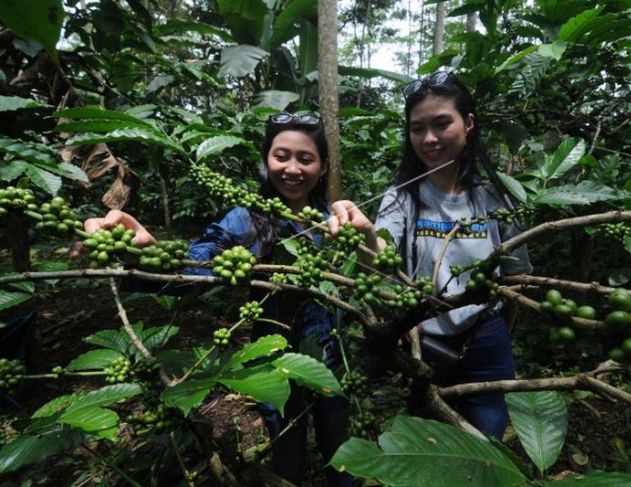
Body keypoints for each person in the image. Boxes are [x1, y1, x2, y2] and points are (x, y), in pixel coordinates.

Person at [85, 113, 351, 486]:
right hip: (274, 358)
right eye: (281, 156)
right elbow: (192, 270)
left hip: (331, 354)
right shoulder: (245, 220)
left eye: (305, 159)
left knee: (338, 438)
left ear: (322, 167)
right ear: (266, 160)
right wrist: (140, 256)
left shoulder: (334, 224)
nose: (292, 168)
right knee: (286, 442)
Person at [328, 71, 532, 439]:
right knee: (430, 439)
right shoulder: (401, 197)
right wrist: (367, 234)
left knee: (487, 438)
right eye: (417, 128)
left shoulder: (496, 198)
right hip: (424, 336)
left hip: (486, 335)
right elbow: (381, 265)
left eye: (441, 124)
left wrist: (501, 329)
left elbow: (517, 277)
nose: (429, 139)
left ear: (468, 123)